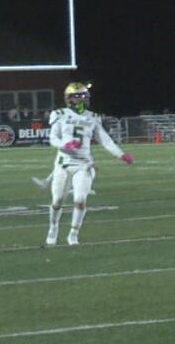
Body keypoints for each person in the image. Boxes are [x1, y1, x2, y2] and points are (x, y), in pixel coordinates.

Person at [44, 82, 134, 246]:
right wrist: (64, 146)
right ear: (69, 98)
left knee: (80, 199)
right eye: (78, 95)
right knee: (57, 201)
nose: (82, 98)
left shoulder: (92, 117)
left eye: (84, 95)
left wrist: (121, 154)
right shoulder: (59, 114)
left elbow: (105, 140)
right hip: (63, 163)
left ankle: (73, 234)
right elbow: (53, 138)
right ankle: (53, 227)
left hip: (83, 164)